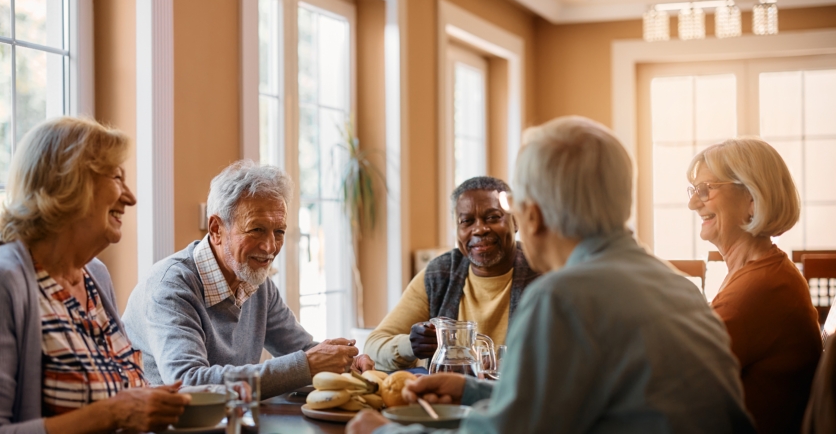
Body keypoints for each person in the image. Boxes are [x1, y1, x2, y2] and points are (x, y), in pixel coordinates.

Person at [348, 116, 755, 434]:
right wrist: (470, 389)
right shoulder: (678, 287)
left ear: (533, 215)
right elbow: (577, 403)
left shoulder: (563, 298)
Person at [0, 117, 191, 434]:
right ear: (69, 184)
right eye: (117, 177)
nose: (130, 197)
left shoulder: (95, 276)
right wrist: (111, 414)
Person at [122, 160, 373, 398]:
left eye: (279, 232)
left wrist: (346, 361)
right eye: (256, 229)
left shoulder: (255, 281)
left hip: (228, 420)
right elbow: (189, 382)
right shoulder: (171, 287)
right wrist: (306, 365)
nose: (270, 247)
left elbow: (301, 350)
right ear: (216, 229)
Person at [687, 138, 821, 434]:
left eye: (706, 190)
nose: (693, 203)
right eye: (695, 191)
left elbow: (679, 381)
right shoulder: (762, 272)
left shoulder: (759, 288)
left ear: (751, 198)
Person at [364, 177, 539, 371]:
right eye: (467, 221)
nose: (479, 229)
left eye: (493, 217)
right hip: (447, 398)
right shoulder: (440, 274)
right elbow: (372, 347)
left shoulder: (543, 271)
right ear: (457, 230)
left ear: (515, 221)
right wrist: (411, 346)